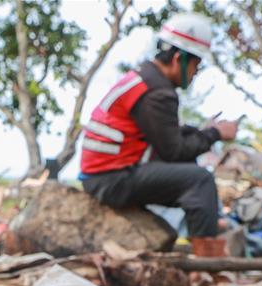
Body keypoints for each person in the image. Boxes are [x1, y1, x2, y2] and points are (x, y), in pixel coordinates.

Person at [79, 13, 239, 257]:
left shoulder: (144, 80)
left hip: (106, 174)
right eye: (196, 65)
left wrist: (202, 131)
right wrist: (215, 133)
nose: (195, 73)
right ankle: (207, 262)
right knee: (200, 180)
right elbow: (173, 150)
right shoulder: (157, 92)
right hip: (111, 180)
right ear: (178, 59)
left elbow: (166, 135)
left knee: (192, 169)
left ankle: (206, 230)